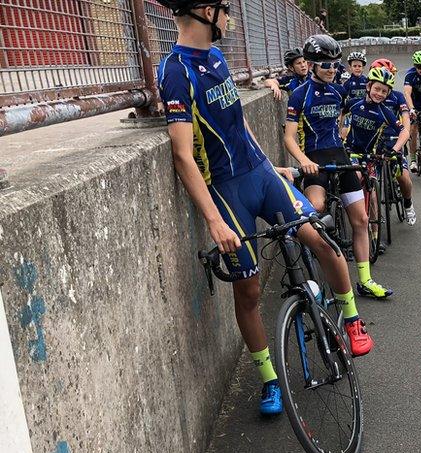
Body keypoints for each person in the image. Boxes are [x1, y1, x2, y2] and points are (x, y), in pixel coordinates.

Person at [157, 1, 373, 418]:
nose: (228, 17)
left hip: (260, 174)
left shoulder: (216, 56)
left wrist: (267, 163)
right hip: (225, 192)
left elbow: (238, 124)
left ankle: (351, 319)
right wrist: (214, 221)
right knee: (249, 290)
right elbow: (183, 156)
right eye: (223, 9)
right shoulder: (174, 70)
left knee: (320, 239)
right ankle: (270, 379)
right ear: (204, 11)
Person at [283, 35, 393, 300]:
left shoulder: (338, 91)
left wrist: (346, 135)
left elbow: (344, 117)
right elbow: (288, 137)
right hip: (314, 159)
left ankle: (365, 280)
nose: (332, 69)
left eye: (335, 64)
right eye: (326, 65)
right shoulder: (299, 95)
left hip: (340, 156)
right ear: (310, 65)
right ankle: (308, 271)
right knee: (316, 208)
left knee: (361, 219)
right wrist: (304, 160)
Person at [343, 67, 411, 259]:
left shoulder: (385, 112)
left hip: (369, 157)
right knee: (353, 182)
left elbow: (404, 131)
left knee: (372, 197)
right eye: (377, 89)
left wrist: (394, 149)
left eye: (384, 91)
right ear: (368, 86)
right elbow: (339, 115)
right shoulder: (354, 104)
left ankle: (373, 237)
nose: (380, 94)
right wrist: (340, 134)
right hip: (350, 154)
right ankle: (349, 227)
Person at [371, 58, 417, 226]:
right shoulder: (368, 96)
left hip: (393, 141)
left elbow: (405, 120)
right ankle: (374, 220)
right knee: (370, 184)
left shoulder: (397, 97)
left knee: (404, 178)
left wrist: (405, 133)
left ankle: (408, 202)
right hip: (373, 144)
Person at [339, 50, 368, 141]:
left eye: (359, 66)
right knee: (346, 126)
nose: (357, 68)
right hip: (351, 110)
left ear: (363, 68)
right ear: (350, 68)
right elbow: (342, 99)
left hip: (364, 109)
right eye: (354, 66)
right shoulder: (348, 83)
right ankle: (342, 142)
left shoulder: (366, 81)